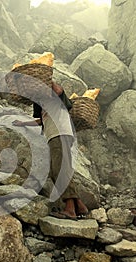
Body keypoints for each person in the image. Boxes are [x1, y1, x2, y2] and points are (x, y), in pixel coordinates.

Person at [12, 81, 89, 220]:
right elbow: (41, 121)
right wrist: (23, 123)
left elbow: (58, 90)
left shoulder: (55, 96)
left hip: (61, 133)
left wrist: (44, 78)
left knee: (59, 169)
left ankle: (70, 209)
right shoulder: (42, 105)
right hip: (54, 136)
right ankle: (80, 205)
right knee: (57, 170)